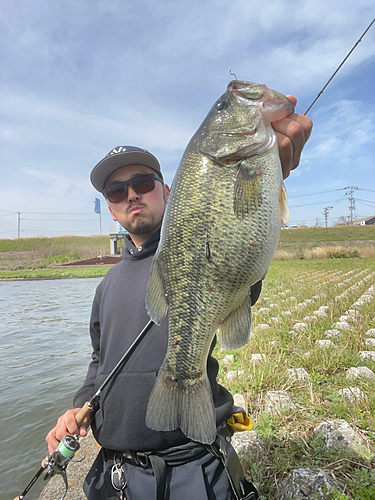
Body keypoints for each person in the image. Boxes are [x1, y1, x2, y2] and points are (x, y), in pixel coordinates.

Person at [46, 98, 312, 500]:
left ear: (169, 191)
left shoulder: (196, 245)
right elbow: (100, 361)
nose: (132, 195)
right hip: (115, 475)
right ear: (113, 210)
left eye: (143, 183)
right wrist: (79, 405)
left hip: (196, 467)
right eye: (117, 191)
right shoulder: (107, 285)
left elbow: (241, 266)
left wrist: (264, 179)